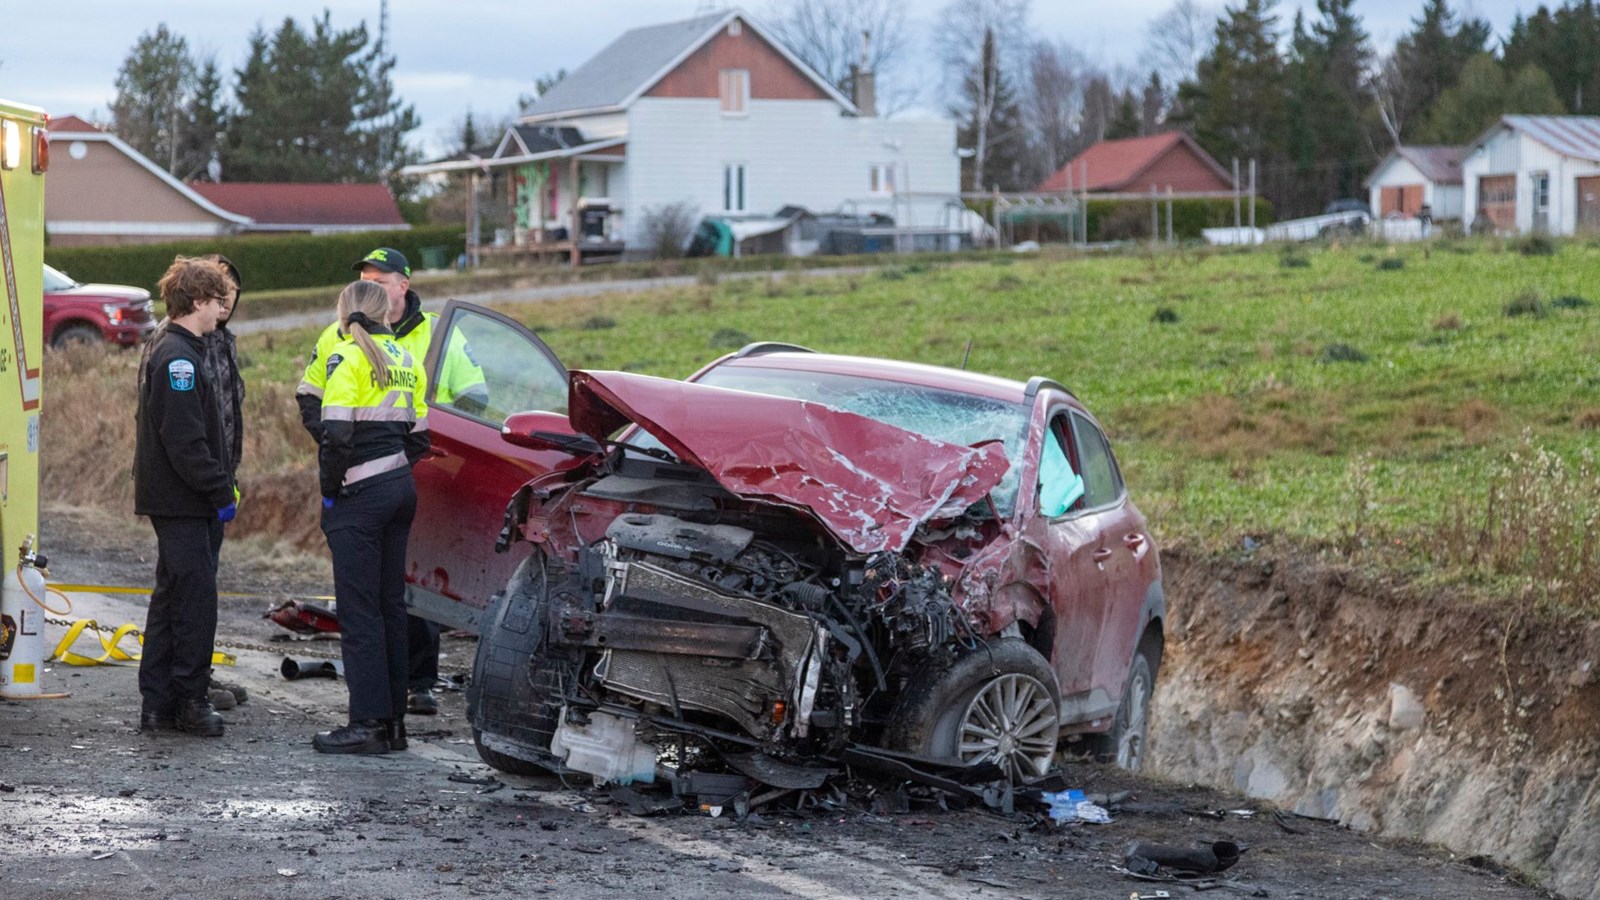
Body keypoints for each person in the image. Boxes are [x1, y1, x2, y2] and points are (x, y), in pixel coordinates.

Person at [295, 247, 486, 717]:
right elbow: (310, 398)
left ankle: (383, 708)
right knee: (391, 599)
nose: (372, 287)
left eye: (381, 279)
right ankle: (392, 715)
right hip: (397, 476)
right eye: (366, 279)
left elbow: (474, 396)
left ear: (404, 283)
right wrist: (389, 455)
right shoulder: (362, 344)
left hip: (391, 479)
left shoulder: (432, 332)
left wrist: (336, 479)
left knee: (386, 597)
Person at [312, 279, 430, 754]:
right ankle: (394, 724)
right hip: (401, 489)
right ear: (385, 312)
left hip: (360, 494)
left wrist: (329, 490)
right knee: (390, 609)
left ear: (345, 312)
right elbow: (420, 437)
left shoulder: (348, 358)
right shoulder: (406, 358)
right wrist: (391, 464)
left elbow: (335, 436)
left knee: (359, 613)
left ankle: (367, 723)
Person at [134, 256, 239, 737]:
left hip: (175, 499)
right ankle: (189, 701)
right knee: (195, 601)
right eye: (218, 300)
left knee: (172, 597)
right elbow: (185, 442)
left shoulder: (178, 348)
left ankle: (158, 703)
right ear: (197, 301)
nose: (223, 309)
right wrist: (221, 488)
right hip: (182, 501)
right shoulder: (179, 357)